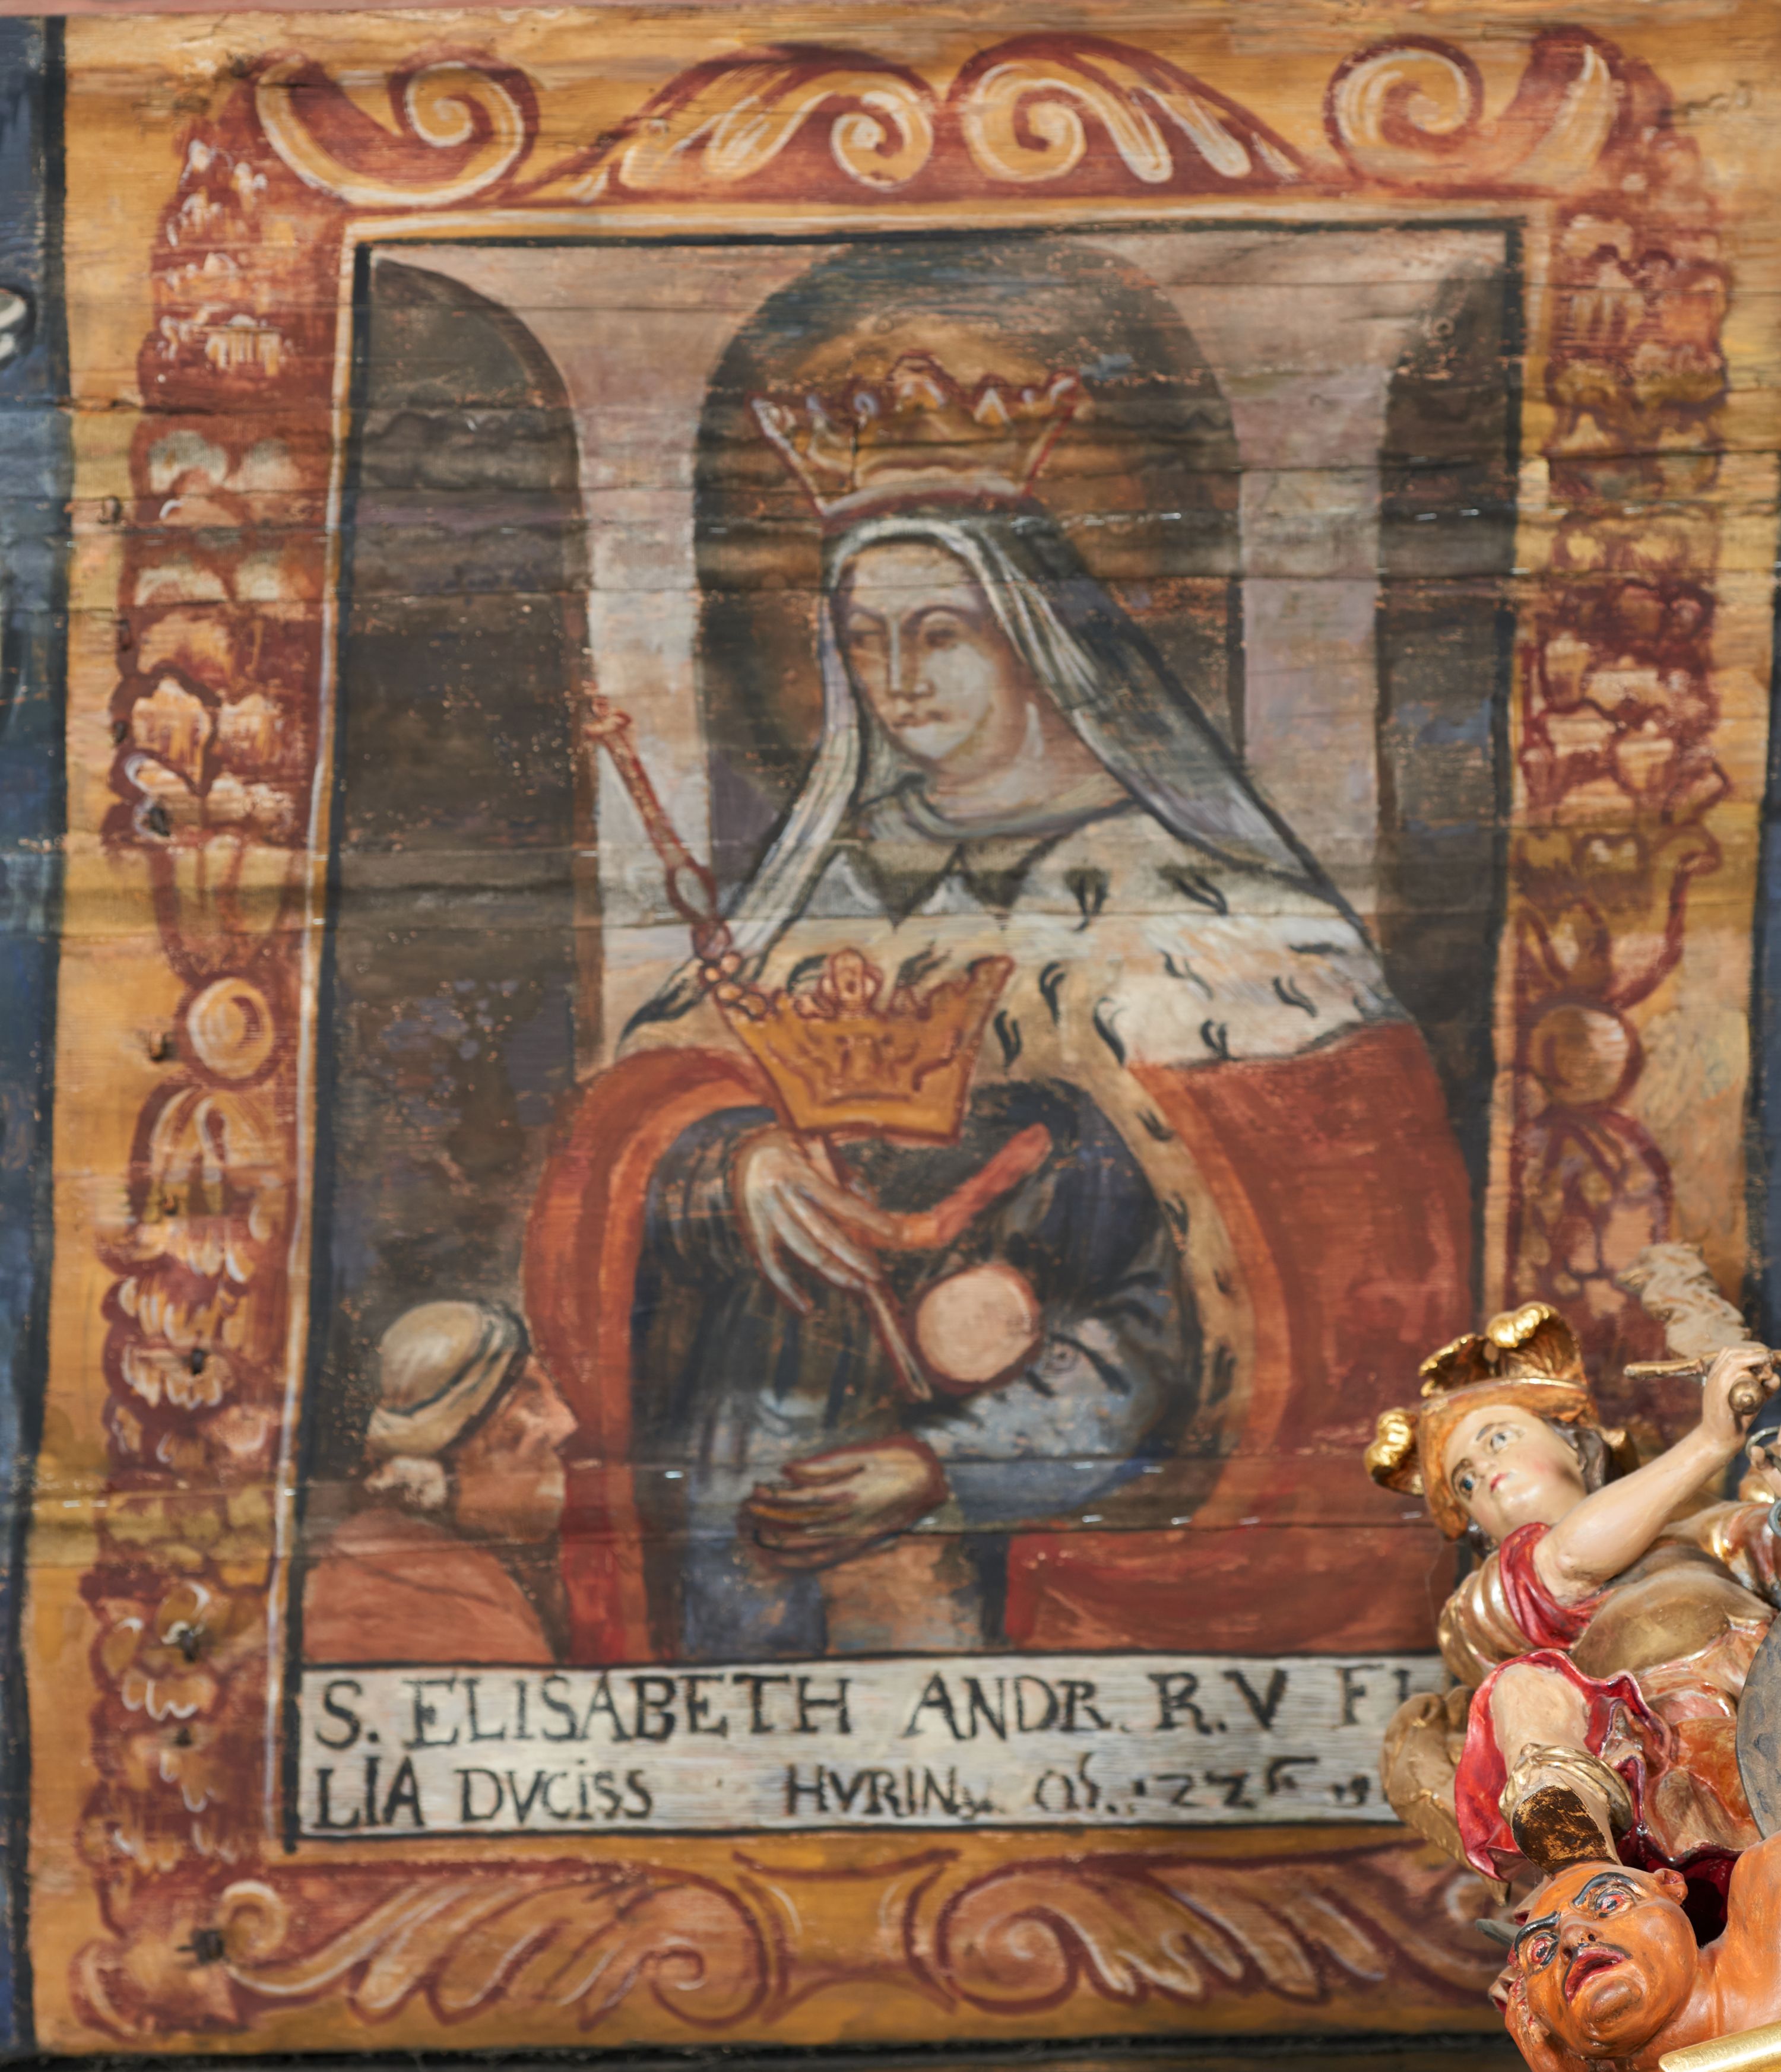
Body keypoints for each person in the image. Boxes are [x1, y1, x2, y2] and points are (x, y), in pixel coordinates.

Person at [529, 350, 1472, 1663]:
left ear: (1032, 636)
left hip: (1035, 1495)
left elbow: (1286, 1278)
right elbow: (634, 1123)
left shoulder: (1215, 916)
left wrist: (961, 1461)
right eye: (864, 640)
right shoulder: (820, 889)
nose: (897, 677)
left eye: (940, 633)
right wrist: (729, 1163)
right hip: (758, 1490)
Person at [1368, 1301, 1781, 1887]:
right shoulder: (1488, 1600)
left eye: (1499, 1438)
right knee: (1519, 1684)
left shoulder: (1695, 1528)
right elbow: (1571, 1558)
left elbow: (1761, 1542)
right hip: (1657, 1737)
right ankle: (1579, 1853)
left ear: (1578, 1446)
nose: (1484, 1471)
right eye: (1465, 1481)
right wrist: (1712, 1440)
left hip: (1764, 1684)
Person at [303, 1300, 578, 1664]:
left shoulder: (486, 1562)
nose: (565, 1424)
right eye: (526, 1415)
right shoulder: (421, 1592)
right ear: (444, 1457)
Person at [1500, 1839, 1781, 2071]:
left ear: (1670, 1886)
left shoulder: (1771, 1881)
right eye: (1541, 1951)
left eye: (1610, 1903)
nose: (1573, 1938)